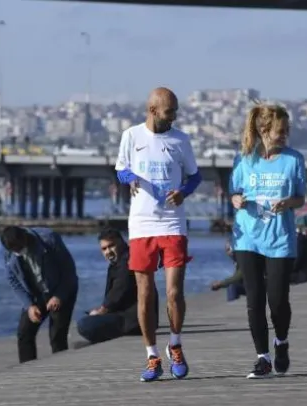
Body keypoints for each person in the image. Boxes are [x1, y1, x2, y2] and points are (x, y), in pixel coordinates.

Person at [114, 87, 202, 382]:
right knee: (145, 293)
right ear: (153, 110)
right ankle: (152, 355)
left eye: (175, 110)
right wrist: (130, 178)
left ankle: (175, 345)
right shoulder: (131, 136)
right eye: (169, 111)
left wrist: (184, 192)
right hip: (142, 224)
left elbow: (195, 176)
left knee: (174, 292)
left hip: (173, 223)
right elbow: (121, 170)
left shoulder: (181, 140)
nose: (174, 116)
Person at [229, 104, 306, 379]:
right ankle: (262, 358)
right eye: (280, 131)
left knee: (278, 300)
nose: (285, 136)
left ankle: (281, 342)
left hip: (280, 238)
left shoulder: (294, 159)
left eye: (287, 131)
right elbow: (234, 191)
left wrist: (288, 202)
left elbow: (301, 198)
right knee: (254, 299)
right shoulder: (244, 159)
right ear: (264, 130)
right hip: (248, 238)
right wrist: (236, 199)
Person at [0, 226, 79, 363]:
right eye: (15, 251)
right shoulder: (8, 250)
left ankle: (61, 367)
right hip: (36, 295)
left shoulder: (49, 239)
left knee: (57, 335)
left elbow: (69, 271)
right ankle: (27, 369)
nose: (18, 252)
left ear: (24, 237)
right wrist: (29, 305)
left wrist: (58, 296)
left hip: (61, 288)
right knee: (24, 333)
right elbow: (13, 280)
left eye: (19, 248)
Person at [77, 228, 156, 344]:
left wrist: (102, 310)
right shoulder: (120, 262)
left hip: (133, 320)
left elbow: (119, 290)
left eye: (111, 246)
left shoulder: (126, 262)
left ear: (121, 242)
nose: (108, 251)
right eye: (104, 249)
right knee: (89, 318)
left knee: (84, 325)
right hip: (134, 317)